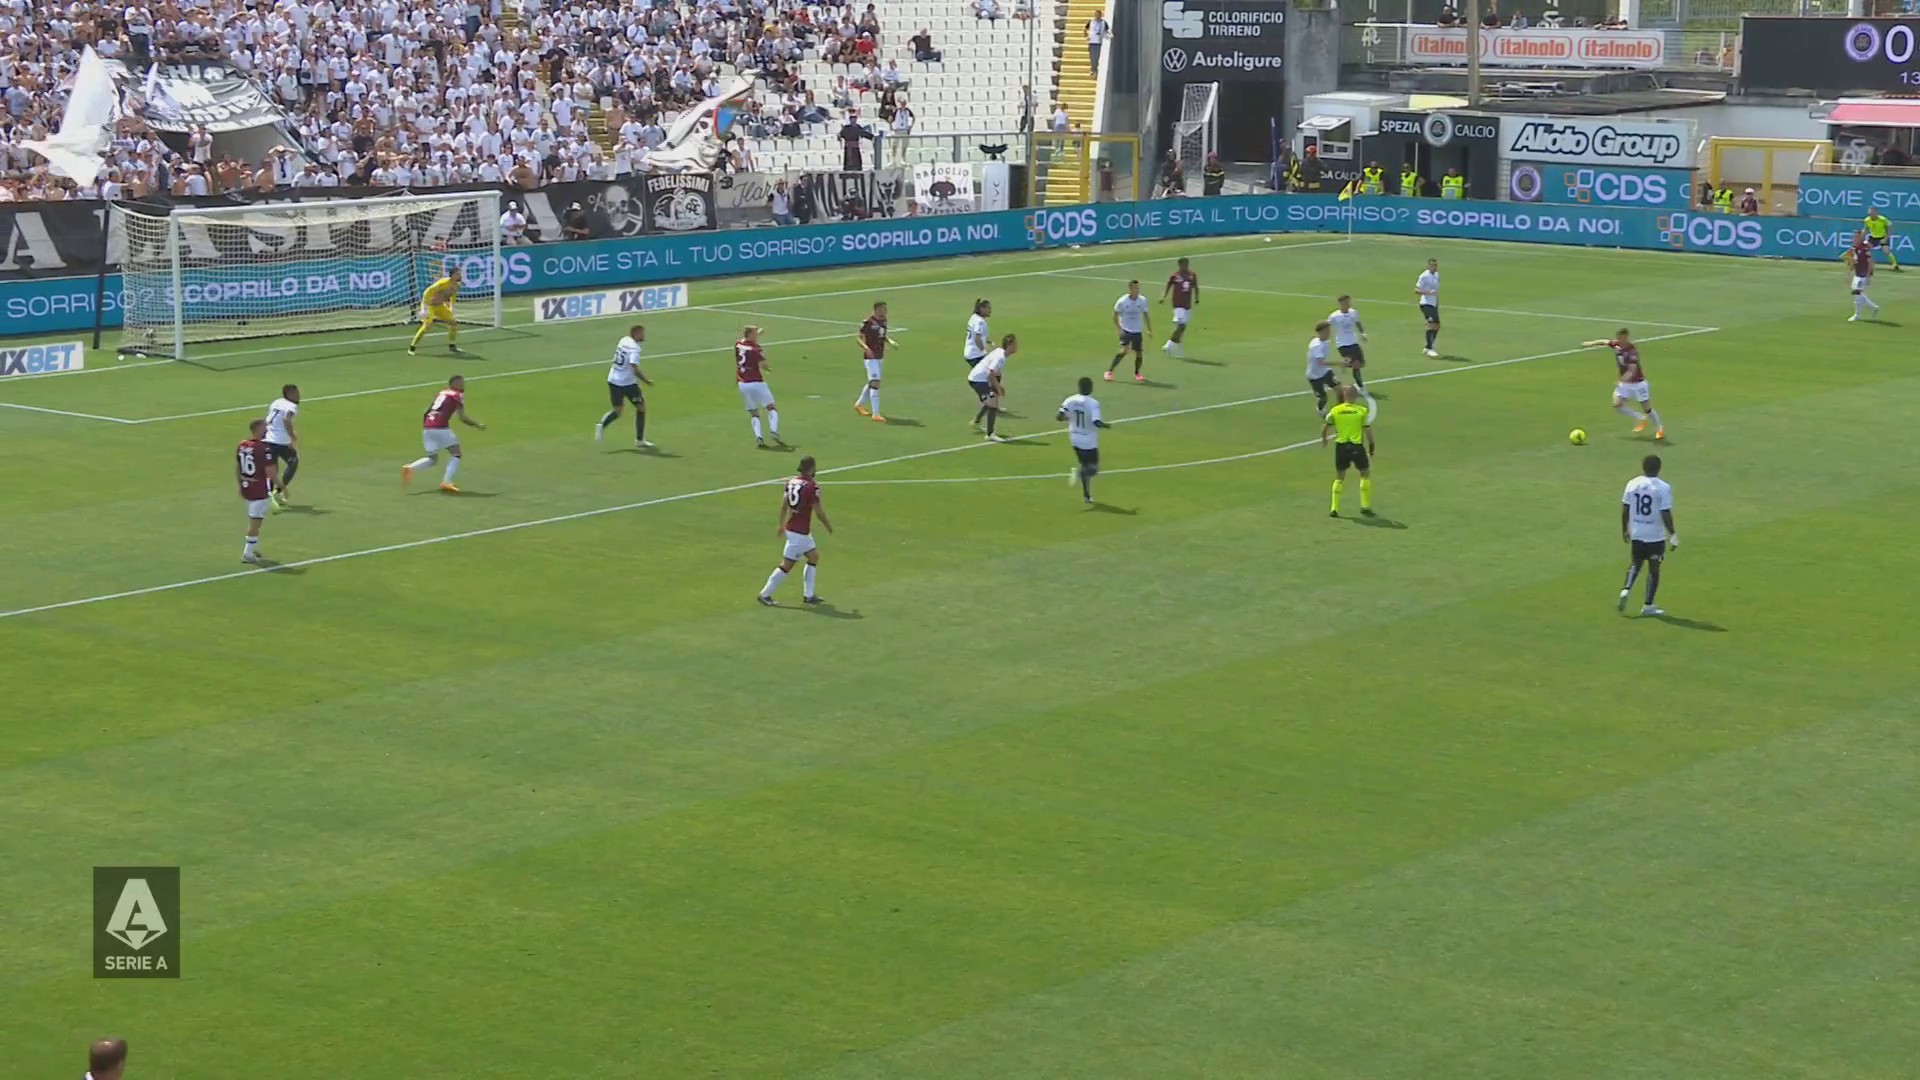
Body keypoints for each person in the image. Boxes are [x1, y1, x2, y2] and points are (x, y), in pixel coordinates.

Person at [757, 455, 833, 606]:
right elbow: (818, 511)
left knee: (813, 557)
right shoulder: (812, 486)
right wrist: (827, 525)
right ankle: (765, 594)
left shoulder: (791, 482)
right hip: (799, 533)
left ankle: (809, 595)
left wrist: (780, 525)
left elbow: (784, 505)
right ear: (811, 468)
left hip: (796, 529)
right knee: (787, 565)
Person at [402, 376, 485, 492]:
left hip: (428, 427)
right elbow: (462, 418)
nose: (463, 385)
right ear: (454, 383)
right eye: (461, 382)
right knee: (456, 453)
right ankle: (446, 482)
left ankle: (410, 468)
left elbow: (427, 411)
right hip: (440, 428)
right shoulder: (457, 395)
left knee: (432, 458)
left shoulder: (442, 393)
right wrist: (477, 425)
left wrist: (426, 427)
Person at [1618, 454, 1677, 617]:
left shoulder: (1632, 483)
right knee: (1654, 569)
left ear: (1643, 468)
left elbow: (1625, 508)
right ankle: (1648, 605)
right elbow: (1665, 512)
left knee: (1636, 563)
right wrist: (1672, 534)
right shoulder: (1663, 487)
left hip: (1637, 531)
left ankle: (1626, 588)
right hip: (1655, 536)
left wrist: (1625, 529)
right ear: (1659, 468)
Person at [1582, 328, 1664, 440]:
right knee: (1617, 404)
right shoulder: (1617, 344)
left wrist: (1621, 380)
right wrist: (1590, 343)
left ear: (1626, 337)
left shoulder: (1632, 351)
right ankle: (1640, 418)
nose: (1618, 340)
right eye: (1617, 337)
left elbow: (1632, 370)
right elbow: (1605, 342)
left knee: (1647, 408)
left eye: (1620, 338)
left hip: (1638, 383)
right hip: (1625, 383)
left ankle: (1659, 428)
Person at [595, 324, 654, 447]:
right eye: (642, 333)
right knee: (641, 407)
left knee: (617, 410)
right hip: (627, 383)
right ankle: (639, 440)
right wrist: (646, 380)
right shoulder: (635, 349)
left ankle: (602, 424)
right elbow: (634, 367)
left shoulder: (624, 340)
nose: (644, 336)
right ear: (636, 334)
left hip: (613, 379)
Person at [1321, 385, 1375, 518]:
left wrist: (1325, 439)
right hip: (1356, 446)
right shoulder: (1362, 411)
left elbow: (1325, 427)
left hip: (1341, 447)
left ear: (1344, 396)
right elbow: (1368, 431)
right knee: (1364, 473)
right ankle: (1365, 506)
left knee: (1340, 476)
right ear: (1356, 397)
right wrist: (1372, 447)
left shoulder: (1335, 410)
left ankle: (1334, 508)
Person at [1057, 376, 1111, 505]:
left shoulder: (1070, 400)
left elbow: (1059, 417)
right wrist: (1106, 425)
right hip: (1089, 440)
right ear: (1091, 388)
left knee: (1085, 465)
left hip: (1074, 438)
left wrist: (1070, 419)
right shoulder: (1093, 403)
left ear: (1079, 387)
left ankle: (1087, 496)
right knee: (1093, 469)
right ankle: (1078, 474)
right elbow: (1096, 422)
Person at [237, 418, 279, 564]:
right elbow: (270, 471)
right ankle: (247, 554)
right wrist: (282, 487)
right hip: (258, 489)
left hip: (246, 487)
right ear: (258, 429)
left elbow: (238, 467)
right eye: (264, 427)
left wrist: (240, 484)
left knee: (254, 519)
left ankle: (252, 547)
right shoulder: (262, 448)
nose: (267, 429)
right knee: (255, 521)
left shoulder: (242, 445)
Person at [735, 325, 783, 448]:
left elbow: (749, 343)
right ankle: (773, 431)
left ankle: (759, 437)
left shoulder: (738, 344)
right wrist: (769, 369)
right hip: (756, 382)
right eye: (755, 333)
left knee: (754, 413)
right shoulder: (756, 350)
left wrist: (758, 334)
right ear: (750, 334)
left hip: (742, 383)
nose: (757, 334)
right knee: (771, 407)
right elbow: (763, 364)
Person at [1327, 295, 1376, 413]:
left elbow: (1358, 322)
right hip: (1342, 344)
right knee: (1356, 364)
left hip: (1353, 342)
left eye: (1348, 302)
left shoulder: (1354, 313)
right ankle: (1360, 386)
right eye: (1345, 303)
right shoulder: (1334, 316)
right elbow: (1327, 325)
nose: (1347, 304)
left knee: (1360, 364)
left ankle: (1344, 366)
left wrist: (1362, 333)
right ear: (1340, 304)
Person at [853, 301, 896, 422]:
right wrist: (866, 348)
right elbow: (858, 338)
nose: (885, 311)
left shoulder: (883, 321)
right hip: (870, 358)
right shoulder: (868, 322)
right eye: (883, 309)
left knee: (873, 382)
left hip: (880, 356)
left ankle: (859, 404)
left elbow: (883, 335)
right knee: (875, 383)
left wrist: (890, 341)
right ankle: (876, 414)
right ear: (877, 309)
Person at [408, 265, 465, 355]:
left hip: (440, 307)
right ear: (453, 275)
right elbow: (427, 292)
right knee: (427, 325)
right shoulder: (442, 283)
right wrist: (424, 307)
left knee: (453, 323)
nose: (460, 275)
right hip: (430, 305)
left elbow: (452, 296)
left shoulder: (457, 285)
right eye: (458, 273)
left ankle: (452, 345)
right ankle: (412, 347)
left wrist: (451, 308)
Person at [970, 333, 1015, 442]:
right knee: (993, 403)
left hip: (979, 378)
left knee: (991, 399)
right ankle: (990, 434)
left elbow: (995, 373)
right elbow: (991, 374)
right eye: (1014, 345)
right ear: (1009, 346)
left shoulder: (1001, 352)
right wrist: (999, 388)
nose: (1016, 347)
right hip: (978, 380)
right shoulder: (1001, 357)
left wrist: (998, 387)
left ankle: (976, 421)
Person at [1106, 279, 1153, 382]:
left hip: (1137, 331)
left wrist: (1149, 330)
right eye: (1136, 288)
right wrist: (1119, 329)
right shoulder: (1122, 301)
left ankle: (1137, 373)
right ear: (1130, 289)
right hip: (1126, 329)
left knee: (1139, 353)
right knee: (1124, 351)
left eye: (1138, 288)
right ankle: (1109, 371)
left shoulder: (1142, 300)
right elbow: (1115, 316)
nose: (1138, 290)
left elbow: (1146, 315)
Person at [263, 383, 300, 510]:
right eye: (296, 393)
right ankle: (274, 494)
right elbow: (286, 419)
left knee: (275, 468)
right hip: (279, 441)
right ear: (289, 394)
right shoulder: (292, 406)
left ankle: (274, 494)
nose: (298, 395)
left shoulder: (276, 402)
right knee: (292, 462)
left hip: (268, 439)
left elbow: (269, 419)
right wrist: (292, 437)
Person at [1162, 257, 1199, 358]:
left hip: (1187, 304)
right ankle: (1168, 345)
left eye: (1187, 264)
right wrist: (1164, 296)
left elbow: (1195, 287)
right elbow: (1169, 285)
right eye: (1184, 264)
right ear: (1180, 265)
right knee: (1181, 326)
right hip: (1178, 304)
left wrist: (1196, 298)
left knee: (1182, 328)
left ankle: (1178, 352)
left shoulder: (1192, 275)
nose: (1185, 266)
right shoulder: (1175, 275)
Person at [1306, 321, 1341, 415]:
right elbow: (1322, 363)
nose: (1330, 332)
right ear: (1321, 332)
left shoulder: (1324, 341)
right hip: (1314, 376)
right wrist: (1340, 363)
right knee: (1323, 398)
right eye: (1327, 330)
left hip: (1325, 372)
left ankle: (1340, 409)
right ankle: (1320, 409)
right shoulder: (1317, 346)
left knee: (1339, 388)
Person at [1848, 232, 1882, 322]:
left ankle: (1857, 315)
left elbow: (1870, 262)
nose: (1855, 239)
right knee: (1857, 293)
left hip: (1863, 274)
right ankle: (1874, 307)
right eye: (1854, 237)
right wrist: (1850, 270)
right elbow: (1853, 261)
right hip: (1857, 274)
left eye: (1857, 237)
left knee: (1857, 293)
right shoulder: (1853, 248)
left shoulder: (1864, 248)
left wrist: (1868, 275)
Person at [1414, 258, 1441, 357]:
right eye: (1433, 265)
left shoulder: (1437, 275)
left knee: (1437, 326)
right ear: (1429, 266)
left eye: (1436, 265)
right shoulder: (1424, 276)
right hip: (1425, 303)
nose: (1434, 267)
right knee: (1432, 325)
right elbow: (1416, 290)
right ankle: (1430, 348)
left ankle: (1427, 347)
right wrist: (1428, 292)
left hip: (1433, 304)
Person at [963, 298, 992, 372]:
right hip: (975, 354)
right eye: (988, 308)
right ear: (982, 309)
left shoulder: (974, 317)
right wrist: (983, 351)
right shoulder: (979, 322)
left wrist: (988, 342)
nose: (990, 310)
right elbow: (977, 339)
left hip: (971, 353)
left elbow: (975, 335)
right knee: (987, 374)